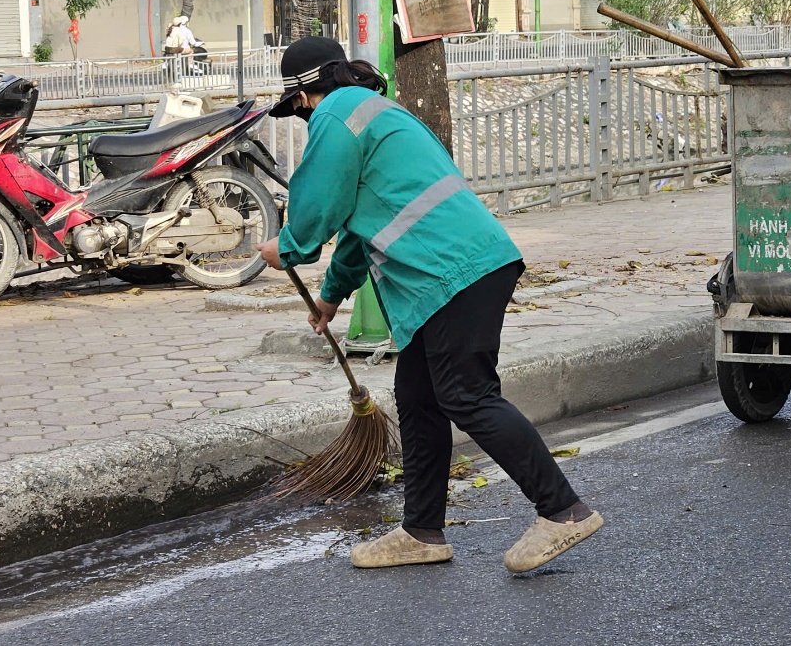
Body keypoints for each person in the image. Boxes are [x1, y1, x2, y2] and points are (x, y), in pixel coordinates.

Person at [257, 36, 602, 573]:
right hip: (453, 271)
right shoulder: (375, 112)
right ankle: (422, 531)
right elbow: (357, 227)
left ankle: (562, 510)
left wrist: (288, 246)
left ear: (304, 97)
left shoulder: (338, 113)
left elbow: (319, 199)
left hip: (453, 271)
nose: (303, 118)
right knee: (418, 396)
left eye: (299, 110)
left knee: (467, 396)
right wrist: (330, 296)